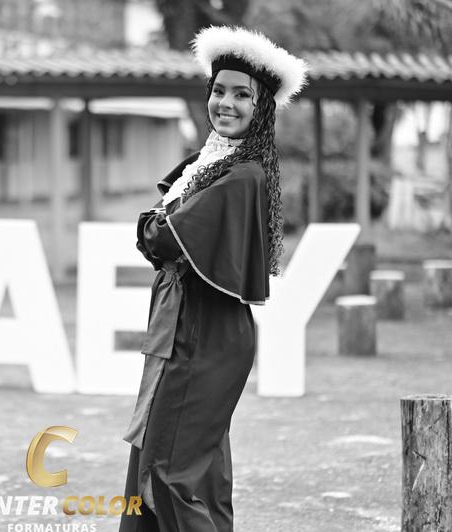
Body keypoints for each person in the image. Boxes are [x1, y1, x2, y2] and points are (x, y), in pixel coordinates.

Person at [119, 26, 308, 532]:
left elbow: (161, 236)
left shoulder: (243, 174)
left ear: (261, 107)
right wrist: (155, 225)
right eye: (219, 90)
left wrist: (153, 225)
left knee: (165, 475)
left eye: (242, 95)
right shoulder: (211, 160)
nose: (226, 103)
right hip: (185, 328)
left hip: (205, 334)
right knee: (196, 476)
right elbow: (159, 228)